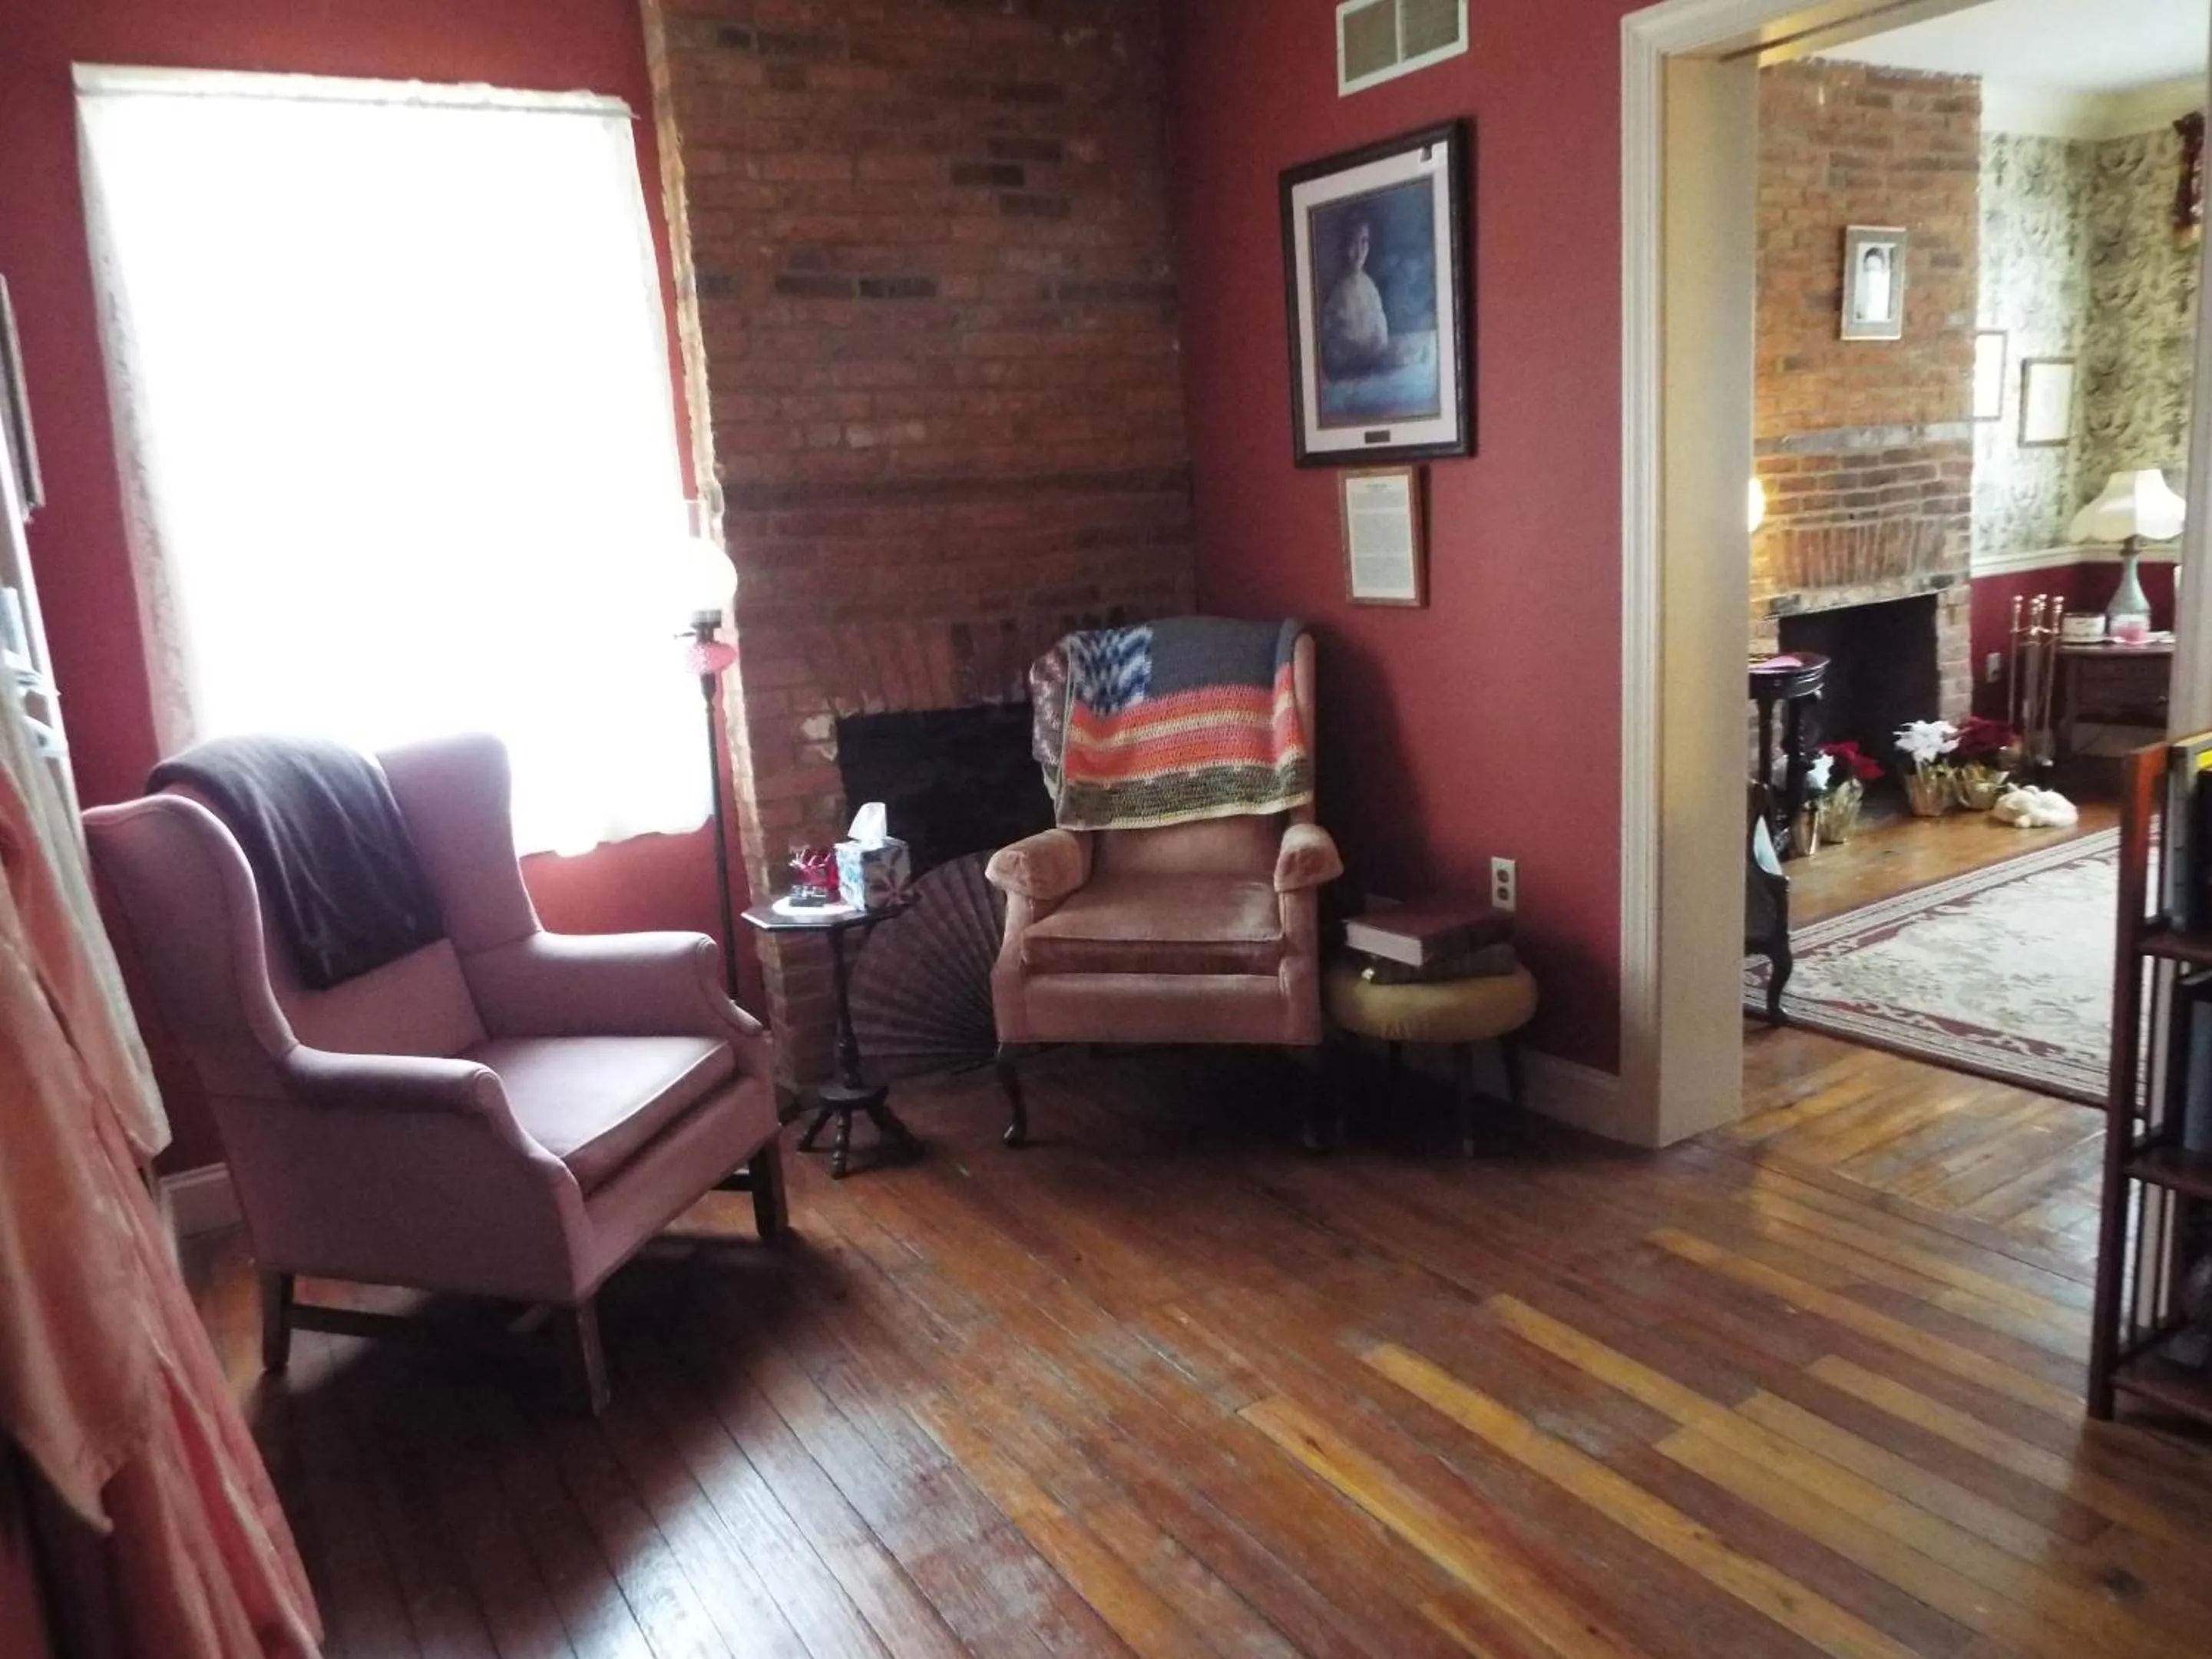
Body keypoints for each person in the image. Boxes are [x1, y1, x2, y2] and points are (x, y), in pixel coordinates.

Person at [1319, 218, 1390, 377]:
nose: (1359, 251)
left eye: (1364, 242)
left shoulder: (1369, 287)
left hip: (1372, 367)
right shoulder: (1337, 294)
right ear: (1344, 246)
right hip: (1348, 372)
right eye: (1353, 243)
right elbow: (1331, 347)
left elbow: (1380, 335)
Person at [1856, 243, 1893, 325]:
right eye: (1869, 270)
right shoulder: (1859, 287)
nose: (1871, 275)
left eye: (1875, 270)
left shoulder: (1888, 290)